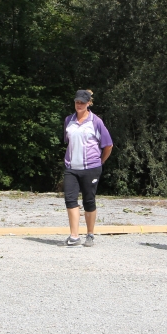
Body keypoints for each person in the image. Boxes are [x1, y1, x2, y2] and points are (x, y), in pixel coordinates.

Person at [63, 89, 113, 246]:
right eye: (77, 102)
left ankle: (90, 234)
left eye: (82, 103)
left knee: (88, 200)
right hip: (71, 167)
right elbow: (68, 141)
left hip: (91, 167)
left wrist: (100, 161)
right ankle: (74, 236)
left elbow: (108, 145)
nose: (79, 105)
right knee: (70, 199)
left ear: (89, 103)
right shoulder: (68, 120)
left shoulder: (96, 121)